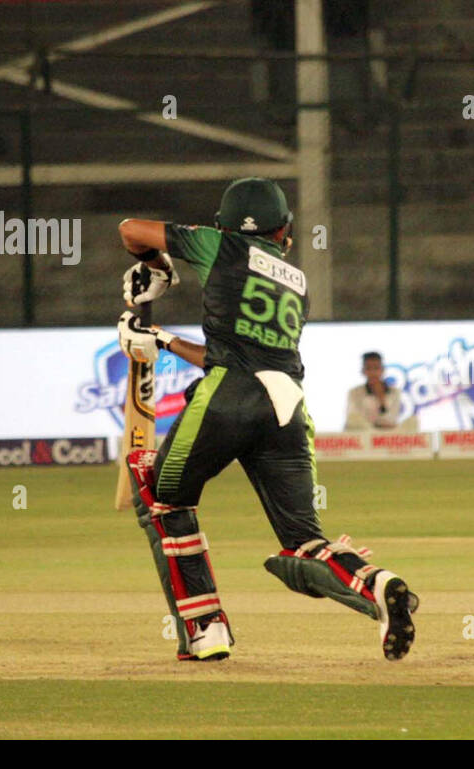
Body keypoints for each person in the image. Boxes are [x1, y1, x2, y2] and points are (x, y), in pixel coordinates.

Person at [115, 177, 418, 662]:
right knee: (303, 542)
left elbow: (131, 229)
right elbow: (236, 355)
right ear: (286, 233)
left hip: (227, 399)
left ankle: (205, 629)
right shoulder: (297, 284)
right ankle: (375, 586)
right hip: (287, 409)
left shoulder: (219, 243)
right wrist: (163, 339)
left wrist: (157, 268)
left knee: (161, 496)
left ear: (222, 224)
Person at [344, 351, 402, 429]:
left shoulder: (394, 393)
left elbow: (392, 418)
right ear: (363, 371)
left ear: (383, 370)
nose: (373, 372)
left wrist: (381, 400)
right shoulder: (354, 393)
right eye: (368, 368)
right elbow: (354, 419)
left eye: (376, 368)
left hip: (386, 436)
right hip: (362, 436)